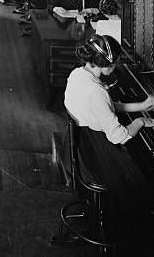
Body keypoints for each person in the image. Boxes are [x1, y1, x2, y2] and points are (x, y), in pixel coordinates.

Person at [64, 35, 154, 250]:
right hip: (94, 152)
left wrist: (141, 105)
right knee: (140, 186)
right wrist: (141, 120)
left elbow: (106, 108)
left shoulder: (79, 74)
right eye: (116, 63)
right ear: (108, 64)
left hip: (79, 141)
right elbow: (118, 135)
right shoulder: (96, 92)